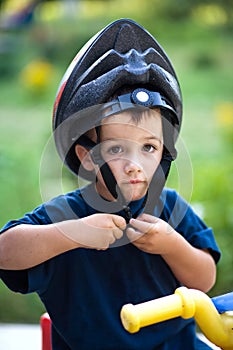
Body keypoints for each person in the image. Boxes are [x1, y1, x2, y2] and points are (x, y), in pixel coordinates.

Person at [0, 19, 221, 349]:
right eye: (117, 149)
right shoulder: (67, 214)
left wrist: (172, 245)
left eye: (148, 147)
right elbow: (5, 252)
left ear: (164, 151)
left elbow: (204, 281)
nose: (136, 165)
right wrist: (70, 234)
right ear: (88, 157)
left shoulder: (171, 210)